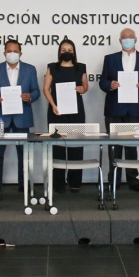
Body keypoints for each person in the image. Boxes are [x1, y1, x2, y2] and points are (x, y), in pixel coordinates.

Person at [98, 27, 139, 192]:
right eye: (124, 37)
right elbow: (103, 81)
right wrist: (110, 85)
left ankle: (133, 181)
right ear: (120, 40)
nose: (127, 39)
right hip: (114, 109)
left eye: (130, 37)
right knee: (114, 147)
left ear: (136, 39)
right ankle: (113, 180)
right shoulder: (110, 59)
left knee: (132, 146)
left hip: (136, 108)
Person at [0, 39, 40, 191]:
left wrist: (30, 96)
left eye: (15, 51)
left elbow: (36, 91)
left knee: (23, 152)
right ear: (4, 53)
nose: (12, 54)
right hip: (0, 116)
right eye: (9, 51)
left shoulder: (30, 69)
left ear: (20, 53)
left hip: (22, 117)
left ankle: (23, 184)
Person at [43, 39, 88, 193]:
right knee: (57, 147)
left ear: (74, 52)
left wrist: (82, 89)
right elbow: (46, 88)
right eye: (63, 50)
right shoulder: (52, 67)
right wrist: (53, 105)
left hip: (76, 112)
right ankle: (58, 184)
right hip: (57, 111)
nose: (66, 52)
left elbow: (85, 86)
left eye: (69, 50)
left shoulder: (81, 67)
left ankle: (75, 183)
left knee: (76, 146)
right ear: (59, 52)